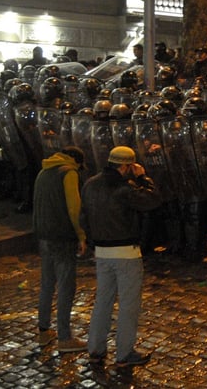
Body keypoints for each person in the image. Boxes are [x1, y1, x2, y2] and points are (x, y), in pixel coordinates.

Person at [81, 146, 162, 369]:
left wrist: (92, 242)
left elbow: (83, 217)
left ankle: (95, 349)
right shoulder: (125, 188)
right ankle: (124, 353)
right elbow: (153, 200)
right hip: (126, 251)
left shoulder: (90, 184)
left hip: (102, 251)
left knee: (102, 302)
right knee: (128, 305)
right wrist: (143, 177)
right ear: (126, 166)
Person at [33, 146, 88, 352]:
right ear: (75, 161)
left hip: (44, 235)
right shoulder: (69, 173)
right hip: (62, 237)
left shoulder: (43, 171)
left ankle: (44, 331)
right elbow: (74, 208)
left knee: (47, 284)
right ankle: (65, 338)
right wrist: (81, 235)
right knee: (66, 286)